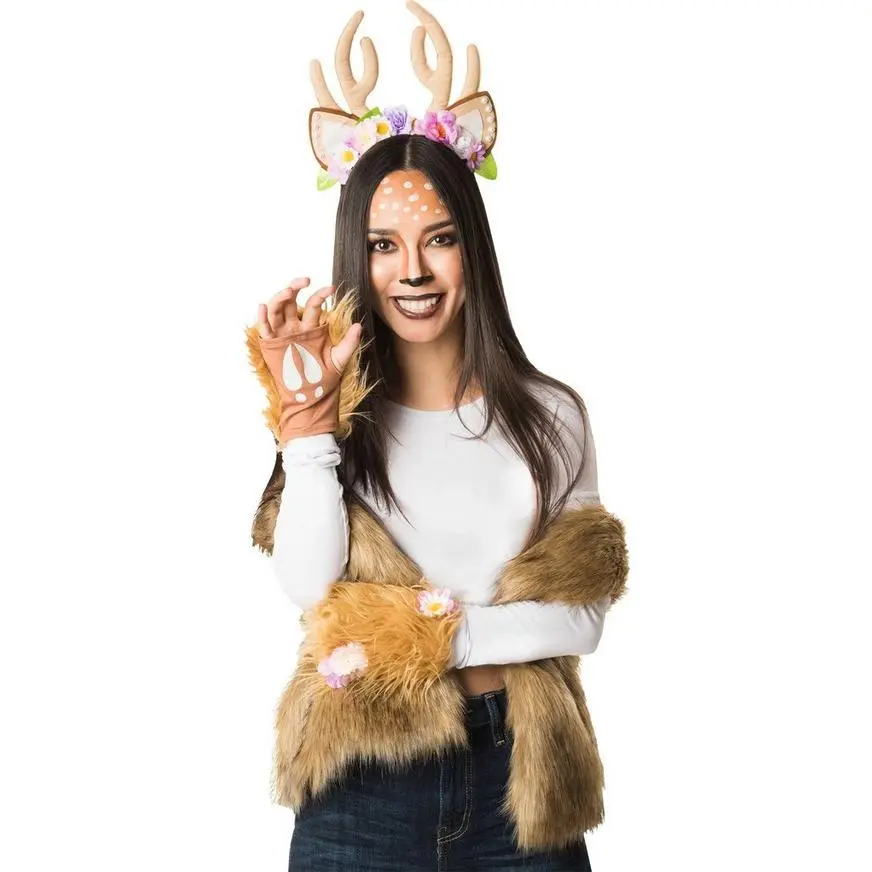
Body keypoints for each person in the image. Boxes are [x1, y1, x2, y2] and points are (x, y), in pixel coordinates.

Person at [247, 4, 628, 869]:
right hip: (363, 782)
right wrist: (308, 426)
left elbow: (582, 616)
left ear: (471, 250)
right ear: (358, 255)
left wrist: (434, 638)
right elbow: (309, 587)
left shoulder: (552, 417)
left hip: (518, 781)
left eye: (439, 240)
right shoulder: (340, 428)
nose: (412, 270)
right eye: (383, 245)